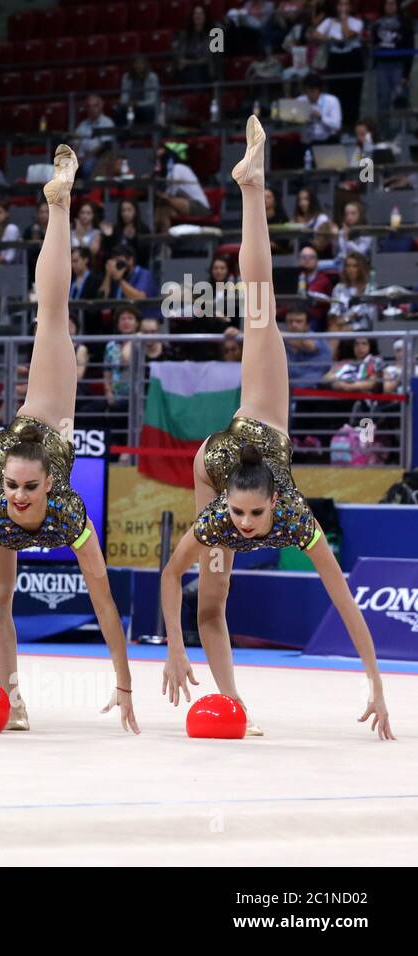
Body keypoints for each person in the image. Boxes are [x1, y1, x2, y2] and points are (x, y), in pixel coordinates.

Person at [159, 116, 394, 740]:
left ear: (272, 506)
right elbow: (168, 577)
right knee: (259, 299)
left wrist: (376, 683)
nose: (244, 527)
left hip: (239, 443)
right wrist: (172, 650)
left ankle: (234, 705)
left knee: (260, 299)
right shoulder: (228, 516)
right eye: (243, 519)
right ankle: (250, 186)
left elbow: (347, 603)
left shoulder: (290, 516)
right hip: (225, 452)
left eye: (251, 520)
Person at [0, 144, 137, 734]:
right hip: (8, 451)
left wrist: (125, 682)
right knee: (53, 317)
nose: (24, 498)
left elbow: (104, 601)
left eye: (30, 491)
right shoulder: (3, 506)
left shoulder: (68, 509)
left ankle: (59, 206)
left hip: (33, 433)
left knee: (52, 316)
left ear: (50, 485)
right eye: (19, 492)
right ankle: (11, 694)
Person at [316, 0, 365, 128]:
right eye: (340, 4)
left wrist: (343, 20)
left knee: (352, 95)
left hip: (352, 60)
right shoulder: (329, 22)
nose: (342, 7)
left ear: (350, 7)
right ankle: (337, 126)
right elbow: (315, 34)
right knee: (335, 93)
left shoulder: (356, 22)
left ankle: (351, 125)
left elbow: (348, 35)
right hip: (335, 60)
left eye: (345, 4)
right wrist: (329, 38)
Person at [373, 0, 415, 137]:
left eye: (392, 3)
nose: (389, 6)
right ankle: (384, 135)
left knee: (401, 101)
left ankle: (403, 134)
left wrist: (406, 74)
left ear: (397, 6)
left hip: (399, 66)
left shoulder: (405, 23)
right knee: (383, 101)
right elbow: (374, 45)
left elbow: (410, 47)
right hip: (382, 67)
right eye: (386, 3)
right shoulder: (377, 24)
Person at [154, 142, 211, 232]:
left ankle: (162, 242)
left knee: (165, 200)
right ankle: (161, 243)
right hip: (182, 205)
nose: (159, 162)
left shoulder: (177, 168)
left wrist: (156, 192)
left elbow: (168, 194)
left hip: (200, 207)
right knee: (163, 211)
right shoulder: (166, 173)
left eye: (161, 158)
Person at [329, 251, 377, 330]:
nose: (350, 270)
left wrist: (346, 318)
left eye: (355, 266)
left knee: (341, 330)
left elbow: (369, 314)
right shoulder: (339, 288)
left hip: (362, 327)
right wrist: (338, 319)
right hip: (340, 326)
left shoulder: (369, 288)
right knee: (333, 328)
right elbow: (334, 311)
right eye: (348, 266)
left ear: (361, 268)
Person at [176, 5, 218, 85]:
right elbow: (180, 55)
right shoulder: (185, 35)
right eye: (195, 14)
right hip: (187, 70)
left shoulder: (215, 34)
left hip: (205, 70)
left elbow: (209, 59)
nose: (198, 16)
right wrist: (181, 62)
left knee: (196, 72)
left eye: (201, 14)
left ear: (205, 16)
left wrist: (188, 62)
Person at [296, 73, 343, 145]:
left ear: (319, 90)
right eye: (307, 91)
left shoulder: (332, 100)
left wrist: (320, 117)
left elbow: (337, 125)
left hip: (328, 140)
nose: (309, 94)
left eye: (312, 91)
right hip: (308, 141)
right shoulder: (300, 100)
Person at [74, 95, 117, 168]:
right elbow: (75, 144)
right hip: (81, 157)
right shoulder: (82, 125)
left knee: (87, 165)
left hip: (98, 158)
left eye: (95, 106)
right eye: (89, 106)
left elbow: (103, 146)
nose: (92, 109)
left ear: (101, 106)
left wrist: (84, 159)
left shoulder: (107, 123)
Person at [117, 55, 161, 126]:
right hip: (130, 105)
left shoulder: (152, 77)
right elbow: (124, 94)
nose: (138, 66)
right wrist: (125, 103)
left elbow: (153, 99)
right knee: (120, 110)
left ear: (145, 65)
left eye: (141, 64)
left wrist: (138, 103)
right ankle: (124, 135)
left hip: (146, 105)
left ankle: (147, 135)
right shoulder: (126, 77)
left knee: (148, 111)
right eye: (136, 64)